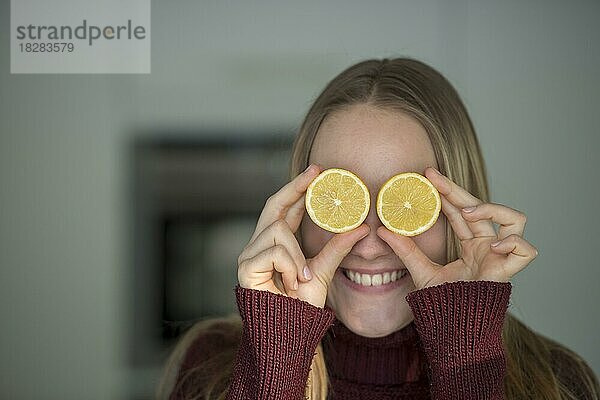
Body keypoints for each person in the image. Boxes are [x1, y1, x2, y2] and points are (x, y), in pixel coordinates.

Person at [157, 58, 599, 400]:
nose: (369, 244)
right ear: (297, 214)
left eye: (407, 205)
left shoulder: (558, 381)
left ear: (463, 216)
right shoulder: (213, 367)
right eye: (339, 202)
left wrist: (465, 352)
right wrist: (276, 359)